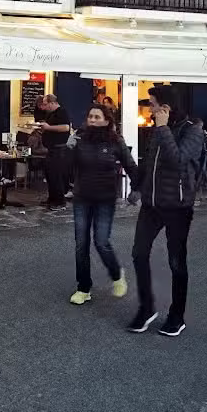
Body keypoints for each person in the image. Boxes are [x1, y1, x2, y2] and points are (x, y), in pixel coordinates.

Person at [128, 85, 204, 337]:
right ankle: (147, 307)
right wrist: (138, 188)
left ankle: (176, 315)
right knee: (139, 253)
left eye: (152, 103)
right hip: (152, 204)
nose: (149, 108)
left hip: (178, 206)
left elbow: (179, 161)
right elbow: (151, 164)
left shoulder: (193, 130)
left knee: (176, 262)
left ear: (166, 107)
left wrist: (162, 128)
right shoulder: (157, 130)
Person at [68, 104, 138, 306]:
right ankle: (83, 288)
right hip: (82, 197)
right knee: (81, 245)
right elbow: (64, 167)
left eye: (97, 117)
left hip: (105, 199)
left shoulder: (116, 141)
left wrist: (137, 188)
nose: (92, 120)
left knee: (101, 241)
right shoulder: (80, 139)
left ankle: (117, 274)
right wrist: (68, 148)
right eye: (90, 116)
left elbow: (130, 166)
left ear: (107, 120)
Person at [40, 94, 71, 211]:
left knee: (56, 175)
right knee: (49, 174)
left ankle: (60, 201)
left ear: (52, 103)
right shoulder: (50, 114)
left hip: (59, 149)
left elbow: (65, 128)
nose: (44, 106)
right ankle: (52, 198)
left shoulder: (62, 112)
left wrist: (48, 128)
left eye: (45, 103)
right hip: (51, 148)